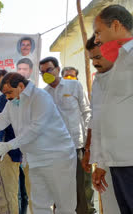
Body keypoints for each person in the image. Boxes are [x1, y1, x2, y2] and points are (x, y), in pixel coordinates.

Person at [0, 72, 77, 214]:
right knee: (39, 205)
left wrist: (10, 145)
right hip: (34, 159)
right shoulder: (13, 102)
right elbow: (1, 121)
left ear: (20, 86)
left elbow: (36, 128)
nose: (7, 97)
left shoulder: (40, 97)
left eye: (9, 92)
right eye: (4, 94)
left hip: (58, 157)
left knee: (64, 206)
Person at [92, 5, 133, 213]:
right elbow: (109, 113)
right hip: (119, 161)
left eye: (98, 32)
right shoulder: (121, 62)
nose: (97, 39)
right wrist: (101, 162)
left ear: (116, 25)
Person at [39, 56, 92, 214]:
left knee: (83, 191)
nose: (45, 74)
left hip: (77, 147)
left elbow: (87, 112)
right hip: (56, 151)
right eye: (42, 73)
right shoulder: (43, 94)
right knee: (59, 192)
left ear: (57, 69)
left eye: (48, 70)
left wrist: (89, 142)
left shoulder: (74, 85)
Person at [82, 35, 120, 214]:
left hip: (125, 159)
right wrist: (96, 160)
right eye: (92, 59)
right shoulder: (97, 81)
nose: (95, 63)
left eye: (98, 57)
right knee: (112, 206)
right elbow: (96, 120)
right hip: (108, 161)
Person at [0, 69, 29, 214]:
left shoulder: (31, 98)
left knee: (28, 191)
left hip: (31, 150)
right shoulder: (0, 102)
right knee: (15, 191)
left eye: (4, 85)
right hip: (11, 152)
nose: (3, 90)